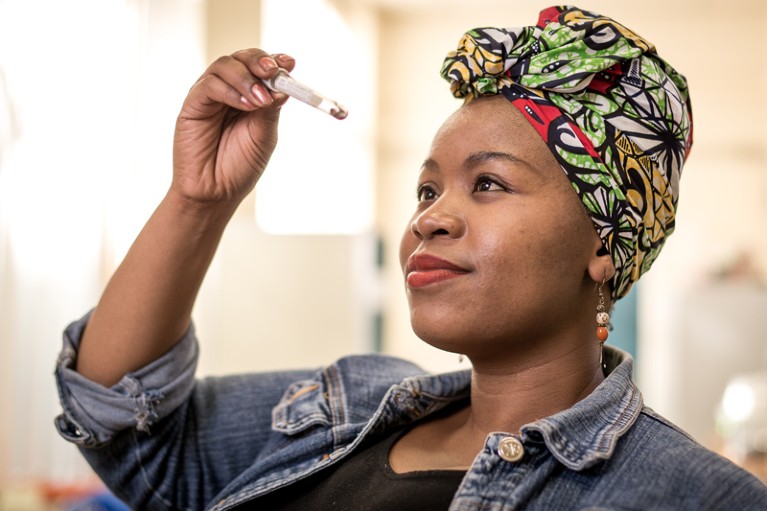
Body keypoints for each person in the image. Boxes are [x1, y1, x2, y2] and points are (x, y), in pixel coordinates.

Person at [54, 5, 767, 510]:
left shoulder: (698, 495)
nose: (430, 217)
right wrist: (198, 200)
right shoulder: (347, 408)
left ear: (603, 246)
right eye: (426, 187)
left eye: (487, 183)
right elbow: (123, 419)